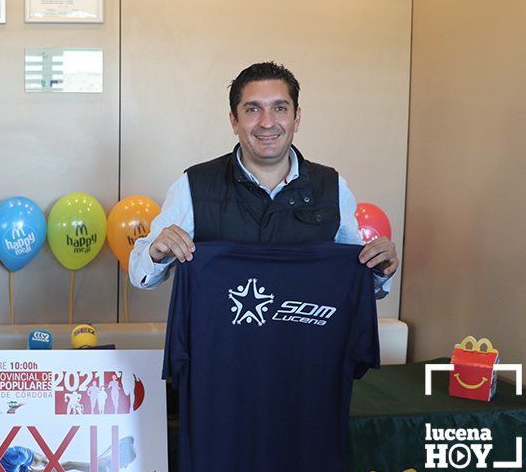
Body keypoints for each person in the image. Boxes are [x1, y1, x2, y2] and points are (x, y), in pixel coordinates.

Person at [129, 61, 398, 296]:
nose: (267, 123)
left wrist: (379, 270)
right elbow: (140, 277)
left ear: (297, 118)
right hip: (223, 351)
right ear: (234, 121)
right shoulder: (194, 186)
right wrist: (156, 252)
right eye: (253, 110)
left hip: (307, 351)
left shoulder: (333, 187)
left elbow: (358, 280)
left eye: (280, 108)